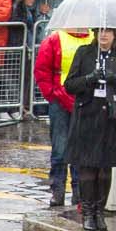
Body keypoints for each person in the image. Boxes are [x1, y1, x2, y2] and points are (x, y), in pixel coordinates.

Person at [62, 26, 116, 231]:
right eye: (100, 31)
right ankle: (88, 212)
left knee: (106, 167)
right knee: (88, 166)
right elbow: (69, 84)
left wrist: (114, 77)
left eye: (108, 32)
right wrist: (90, 78)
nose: (103, 35)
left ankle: (100, 211)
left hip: (113, 115)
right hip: (88, 114)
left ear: (115, 35)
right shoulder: (84, 52)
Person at [33, 25, 88, 209]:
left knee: (81, 149)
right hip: (60, 99)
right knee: (60, 148)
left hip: (83, 100)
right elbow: (42, 69)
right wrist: (51, 93)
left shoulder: (92, 38)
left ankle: (79, 192)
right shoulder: (54, 39)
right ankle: (58, 191)